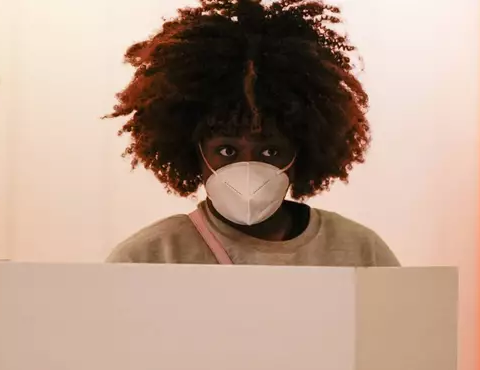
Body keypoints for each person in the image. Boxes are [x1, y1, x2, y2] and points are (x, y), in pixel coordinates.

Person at [105, 0, 399, 267]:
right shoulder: (148, 259)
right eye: (227, 151)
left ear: (302, 154)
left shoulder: (360, 252)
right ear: (195, 152)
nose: (247, 166)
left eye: (270, 151)